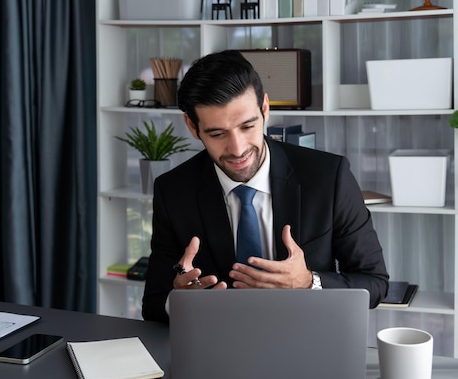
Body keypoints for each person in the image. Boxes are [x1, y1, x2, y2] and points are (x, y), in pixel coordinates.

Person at [142, 50, 389, 323]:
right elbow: (153, 304)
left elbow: (375, 283)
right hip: (218, 345)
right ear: (192, 126)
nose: (237, 149)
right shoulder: (173, 191)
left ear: (265, 108)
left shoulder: (329, 177)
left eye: (248, 126)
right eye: (217, 133)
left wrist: (308, 282)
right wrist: (179, 300)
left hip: (309, 339)